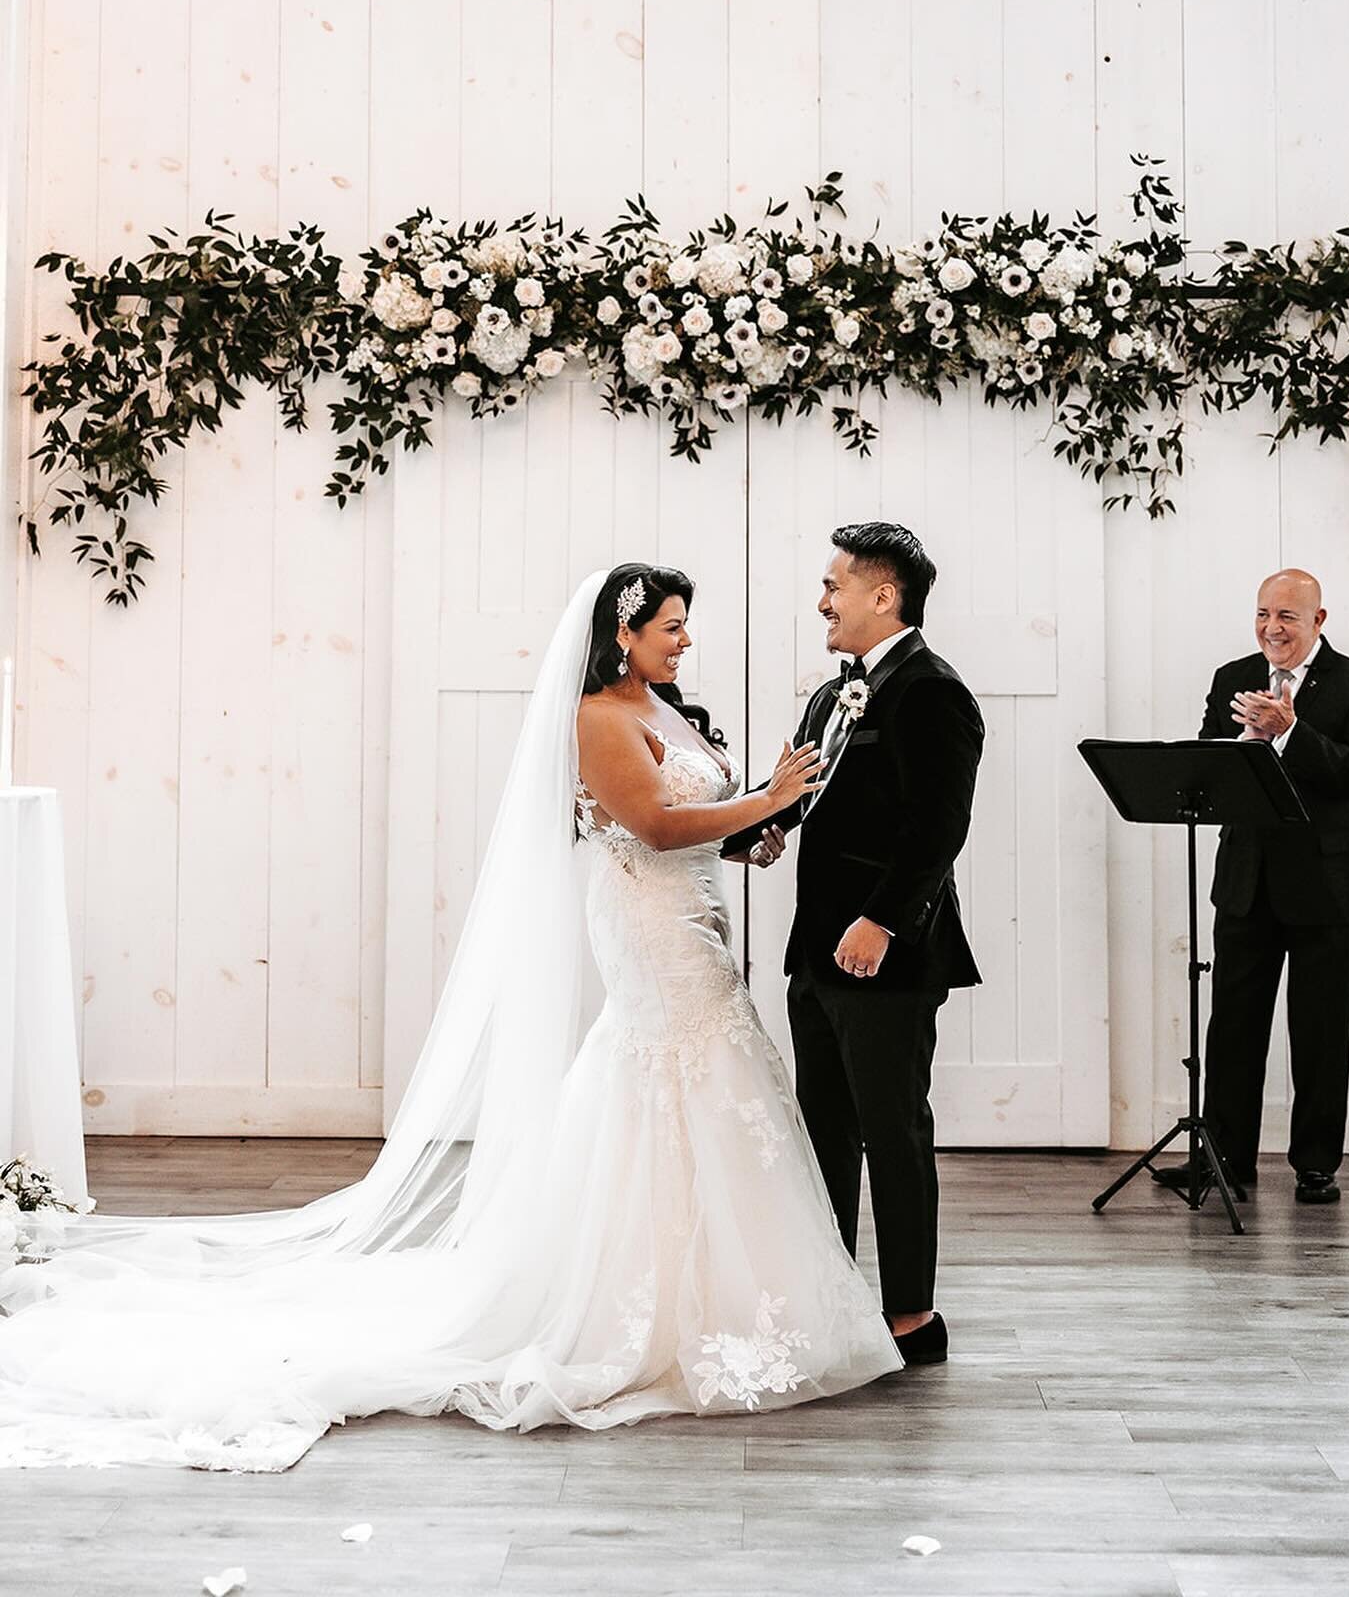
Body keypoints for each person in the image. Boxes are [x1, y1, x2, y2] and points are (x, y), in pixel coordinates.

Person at [0, 565, 901, 1471]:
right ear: (621, 633)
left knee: (708, 1076)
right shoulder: (598, 718)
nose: (684, 639)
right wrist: (772, 797)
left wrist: (752, 832)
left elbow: (697, 816)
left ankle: (722, 1290)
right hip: (649, 927)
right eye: (670, 625)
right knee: (671, 1067)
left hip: (696, 921)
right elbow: (656, 828)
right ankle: (635, 1303)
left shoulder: (664, 709)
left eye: (684, 625)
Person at [727, 522, 984, 1367]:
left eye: (834, 585)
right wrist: (757, 831)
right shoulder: (833, 692)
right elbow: (807, 800)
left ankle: (913, 1317)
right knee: (824, 1132)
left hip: (888, 951)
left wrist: (880, 921)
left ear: (885, 595)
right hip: (817, 951)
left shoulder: (933, 691)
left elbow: (937, 829)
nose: (821, 599)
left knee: (894, 1133)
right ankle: (832, 1298)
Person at [1161, 569, 1349, 1206]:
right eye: (1262, 614)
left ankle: (1316, 1165)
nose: (1271, 628)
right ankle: (1224, 1160)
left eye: (1286, 616)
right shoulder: (1232, 678)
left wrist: (1290, 730)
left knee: (1320, 1030)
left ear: (1319, 620)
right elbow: (1203, 765)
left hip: (1329, 887)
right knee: (1232, 1026)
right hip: (1248, 881)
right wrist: (1248, 740)